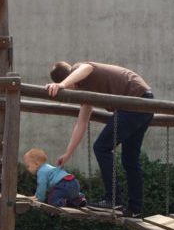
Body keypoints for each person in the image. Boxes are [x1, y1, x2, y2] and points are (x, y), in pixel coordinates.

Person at [44, 61, 154, 218]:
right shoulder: (87, 89)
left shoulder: (80, 69)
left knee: (101, 147)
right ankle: (135, 208)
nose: (72, 92)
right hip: (144, 103)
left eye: (69, 88)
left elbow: (88, 67)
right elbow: (81, 123)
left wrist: (61, 85)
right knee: (130, 159)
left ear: (70, 79)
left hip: (134, 102)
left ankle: (113, 198)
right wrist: (68, 153)